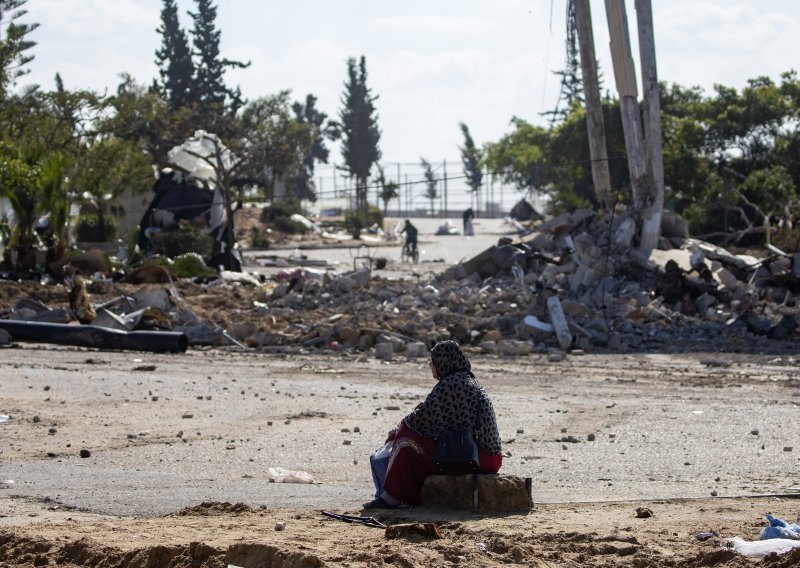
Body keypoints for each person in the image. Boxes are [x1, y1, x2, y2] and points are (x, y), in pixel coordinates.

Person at [364, 340, 502, 509]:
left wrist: (396, 431)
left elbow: (418, 421)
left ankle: (392, 497)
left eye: (433, 360)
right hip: (490, 457)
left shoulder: (450, 385)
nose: (430, 364)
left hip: (475, 457)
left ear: (443, 362)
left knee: (406, 440)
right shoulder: (469, 383)